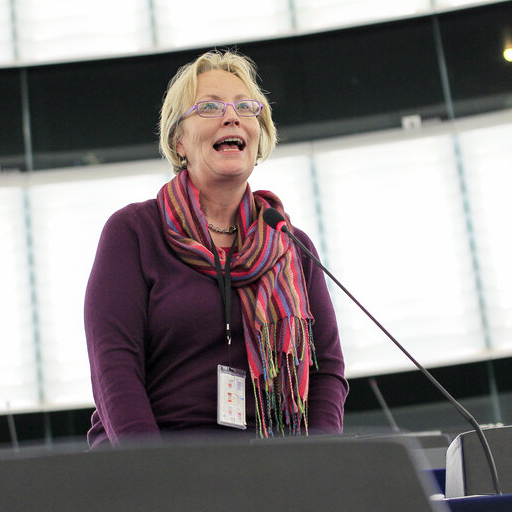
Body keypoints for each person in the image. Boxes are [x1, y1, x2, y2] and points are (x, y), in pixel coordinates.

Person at [85, 49, 348, 447]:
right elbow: (114, 370)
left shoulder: (291, 245)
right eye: (209, 107)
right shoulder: (134, 233)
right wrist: (155, 477)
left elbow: (327, 371)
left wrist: (313, 467)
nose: (232, 116)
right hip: (152, 471)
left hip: (268, 469)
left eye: (246, 107)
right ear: (179, 141)